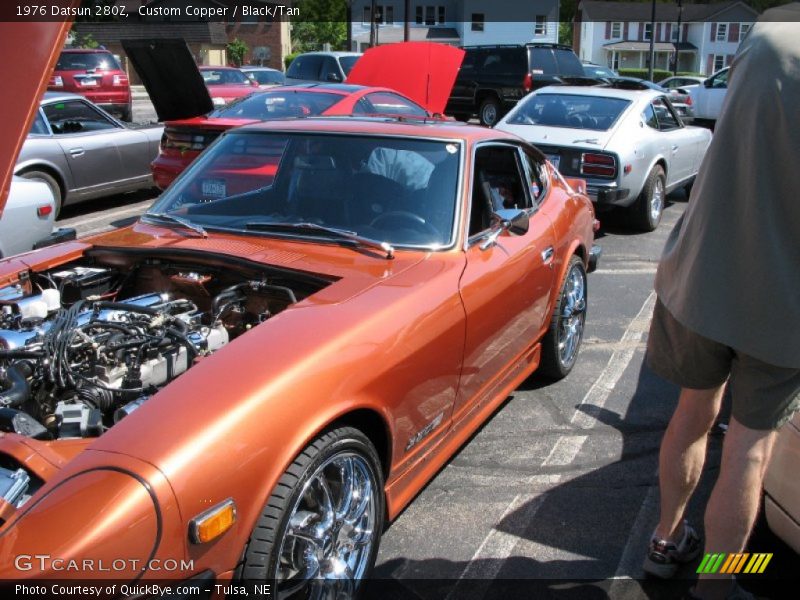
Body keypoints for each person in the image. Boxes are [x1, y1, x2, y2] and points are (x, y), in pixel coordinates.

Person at [641, 8, 800, 600]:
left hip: (703, 274)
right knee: (749, 448)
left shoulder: (766, 35)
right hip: (783, 301)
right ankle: (716, 585)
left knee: (691, 413)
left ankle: (665, 540)